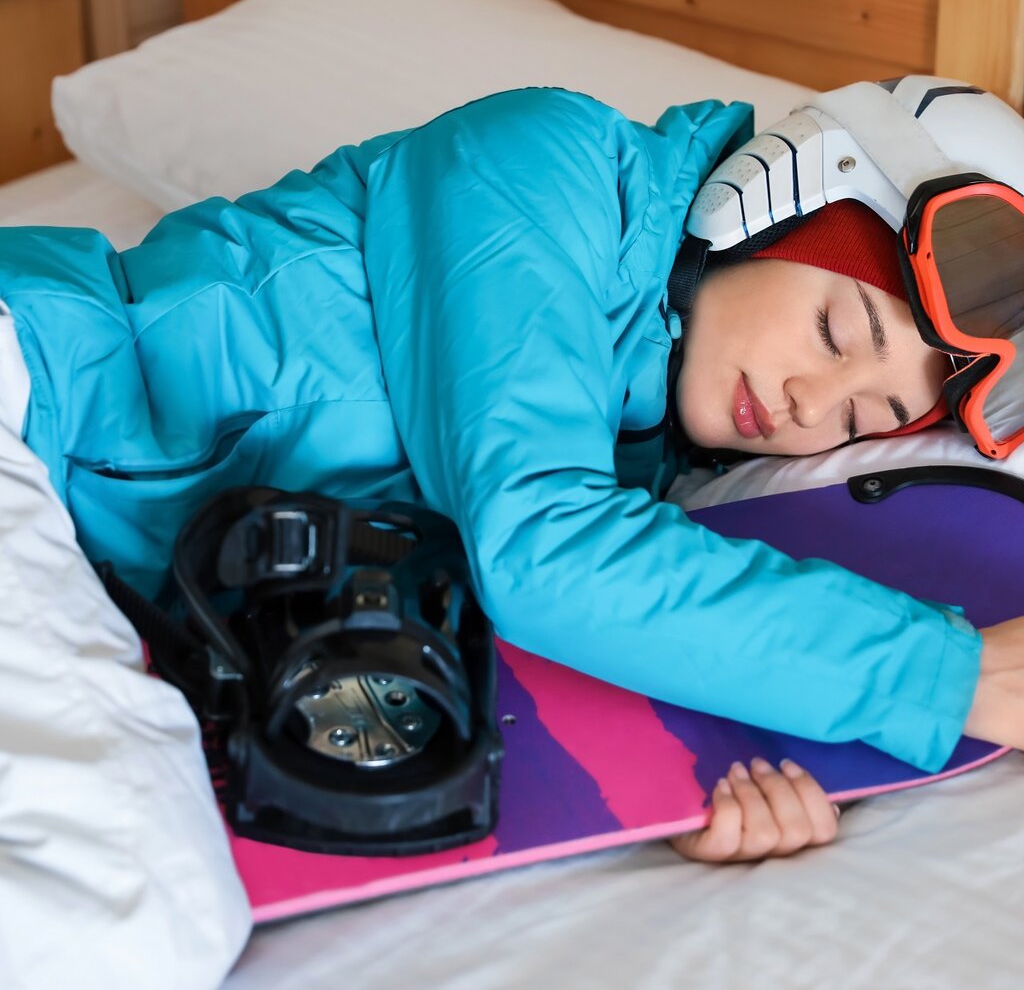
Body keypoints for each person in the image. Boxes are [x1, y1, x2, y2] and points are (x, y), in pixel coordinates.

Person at [2, 76, 1024, 984]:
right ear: (778, 198)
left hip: (84, 559)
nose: (811, 404)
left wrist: (682, 779)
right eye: (838, 331)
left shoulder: (641, 453)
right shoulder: (542, 164)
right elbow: (541, 550)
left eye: (867, 419)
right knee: (121, 915)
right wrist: (946, 674)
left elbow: (545, 615)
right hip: (29, 384)